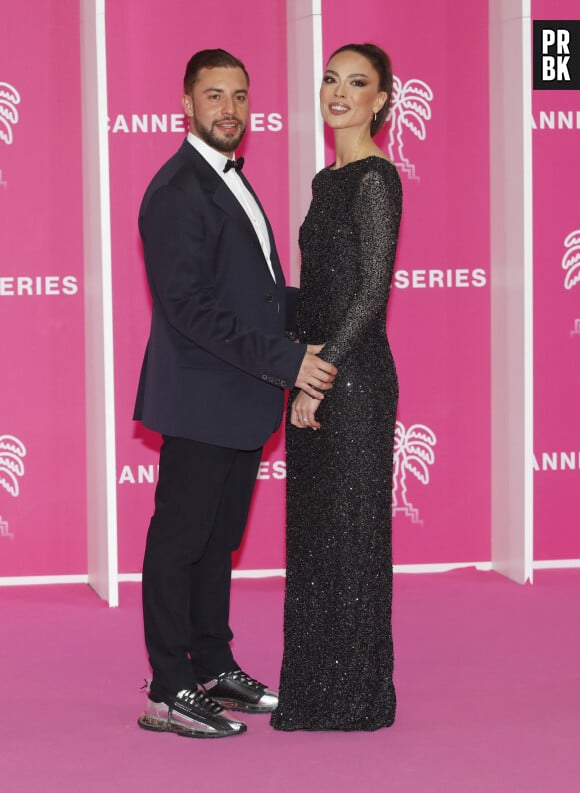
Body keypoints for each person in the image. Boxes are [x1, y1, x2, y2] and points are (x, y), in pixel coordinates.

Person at [133, 48, 337, 739]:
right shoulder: (174, 191)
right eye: (214, 95)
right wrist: (289, 360)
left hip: (240, 400)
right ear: (186, 105)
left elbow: (252, 296)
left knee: (216, 541)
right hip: (199, 398)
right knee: (180, 540)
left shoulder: (228, 181)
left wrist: (326, 311)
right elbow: (191, 309)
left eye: (239, 96)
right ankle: (169, 683)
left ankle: (212, 663)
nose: (229, 109)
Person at [271, 43, 402, 731]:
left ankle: (354, 696)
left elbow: (370, 293)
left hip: (353, 383)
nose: (339, 92)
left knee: (349, 536)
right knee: (317, 539)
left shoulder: (377, 179)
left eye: (357, 83)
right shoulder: (328, 180)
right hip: (317, 372)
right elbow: (322, 290)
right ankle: (317, 690)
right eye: (331, 79)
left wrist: (318, 376)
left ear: (382, 99)